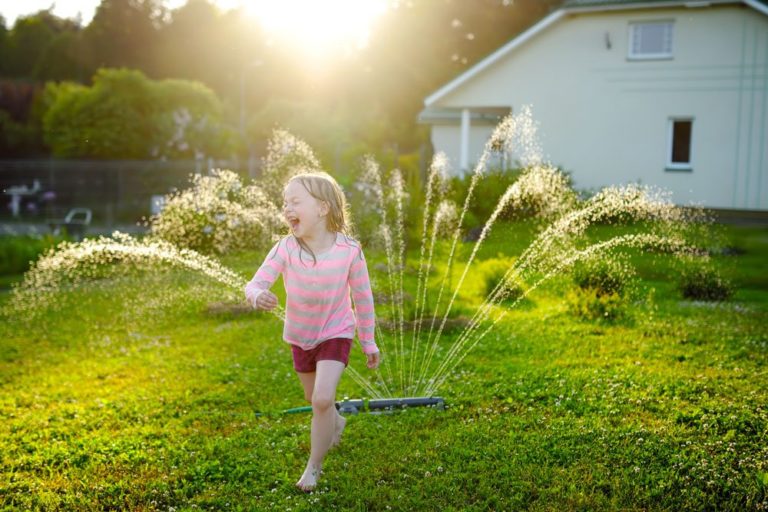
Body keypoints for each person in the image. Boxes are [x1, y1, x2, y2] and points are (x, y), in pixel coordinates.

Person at [245, 171, 380, 492]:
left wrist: (368, 340)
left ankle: (314, 468)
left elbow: (362, 298)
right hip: (300, 336)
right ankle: (337, 420)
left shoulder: (349, 250)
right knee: (313, 397)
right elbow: (255, 282)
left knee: (321, 399)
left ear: (322, 208)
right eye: (284, 203)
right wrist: (257, 295)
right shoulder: (286, 248)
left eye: (295, 202)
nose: (287, 209)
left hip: (337, 331)